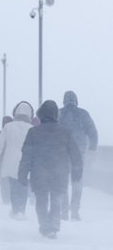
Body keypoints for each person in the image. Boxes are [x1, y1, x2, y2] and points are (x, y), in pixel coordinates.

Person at [18, 100, 83, 239]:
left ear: (40, 114)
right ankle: (53, 226)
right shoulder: (65, 132)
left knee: (41, 199)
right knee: (56, 200)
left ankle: (44, 225)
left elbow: (27, 155)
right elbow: (75, 154)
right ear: (56, 115)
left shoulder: (33, 132)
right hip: (59, 172)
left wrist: (22, 174)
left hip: (39, 172)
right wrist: (77, 172)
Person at [59, 91, 98, 221]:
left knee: (63, 181)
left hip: (62, 151)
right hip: (78, 151)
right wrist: (92, 147)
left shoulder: (59, 113)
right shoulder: (83, 114)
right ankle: (74, 210)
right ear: (76, 101)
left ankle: (63, 211)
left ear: (64, 101)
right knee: (77, 180)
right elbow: (92, 131)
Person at [0, 101, 33, 219]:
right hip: (25, 161)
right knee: (23, 186)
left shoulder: (8, 127)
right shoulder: (31, 128)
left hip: (10, 160)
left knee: (13, 186)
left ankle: (15, 210)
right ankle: (22, 210)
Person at [0, 116, 13, 204]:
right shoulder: (14, 133)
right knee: (12, 179)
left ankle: (5, 199)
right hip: (13, 160)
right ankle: (11, 198)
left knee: (3, 180)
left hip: (2, 160)